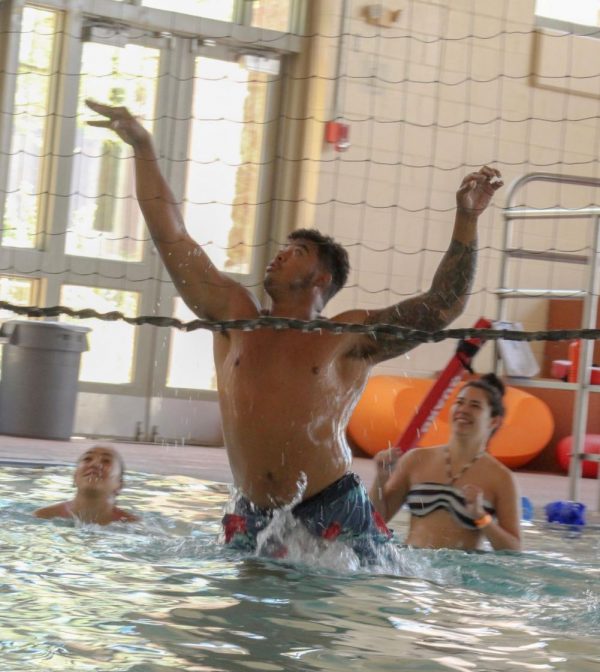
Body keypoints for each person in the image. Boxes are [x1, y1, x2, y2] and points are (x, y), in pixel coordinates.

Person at [85, 98, 503, 560]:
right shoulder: (234, 316)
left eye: (297, 250)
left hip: (333, 507)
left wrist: (466, 220)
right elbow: (171, 236)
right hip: (254, 511)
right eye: (284, 247)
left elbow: (442, 307)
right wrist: (143, 147)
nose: (281, 254)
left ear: (321, 280)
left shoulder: (345, 336)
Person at [369, 374, 521, 551]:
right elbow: (374, 522)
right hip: (410, 568)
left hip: (458, 574)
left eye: (475, 405)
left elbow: (514, 549)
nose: (463, 409)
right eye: (459, 402)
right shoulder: (415, 460)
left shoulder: (501, 478)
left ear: (493, 421)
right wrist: (380, 478)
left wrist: (481, 517)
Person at [34, 444, 138, 525]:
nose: (95, 464)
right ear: (74, 477)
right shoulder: (44, 516)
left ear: (119, 484)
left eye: (106, 461)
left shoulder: (132, 524)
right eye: (87, 459)